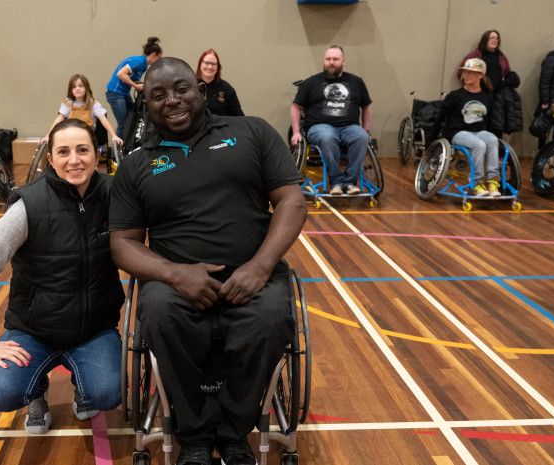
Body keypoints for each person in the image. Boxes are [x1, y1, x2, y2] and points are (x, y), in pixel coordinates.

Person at [109, 57, 307, 465]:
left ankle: (235, 433)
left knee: (271, 318)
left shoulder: (251, 131)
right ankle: (195, 437)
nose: (172, 101)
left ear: (200, 89)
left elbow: (292, 200)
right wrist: (174, 274)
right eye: (158, 95)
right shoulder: (135, 164)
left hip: (254, 274)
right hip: (174, 283)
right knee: (159, 315)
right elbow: (123, 244)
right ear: (146, 105)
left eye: (181, 88)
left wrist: (260, 266)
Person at [0, 118, 124, 435]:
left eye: (82, 150)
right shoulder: (28, 206)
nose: (74, 160)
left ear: (97, 153)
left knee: (108, 393)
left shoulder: (115, 196)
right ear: (50, 159)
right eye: (63, 152)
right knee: (3, 392)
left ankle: (85, 388)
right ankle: (36, 393)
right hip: (34, 332)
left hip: (94, 330)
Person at [290, 45, 372, 195]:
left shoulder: (356, 82)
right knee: (328, 136)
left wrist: (366, 129)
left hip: (349, 127)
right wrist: (296, 132)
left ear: (343, 62)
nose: (331, 62)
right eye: (328, 59)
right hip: (319, 127)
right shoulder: (311, 82)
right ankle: (336, 182)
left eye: (335, 59)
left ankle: (349, 182)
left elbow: (366, 107)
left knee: (361, 136)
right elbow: (296, 107)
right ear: (324, 61)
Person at [443, 58, 501, 197]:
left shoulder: (487, 97)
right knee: (479, 145)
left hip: (479, 132)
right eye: (465, 72)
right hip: (458, 132)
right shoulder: (455, 95)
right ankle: (477, 184)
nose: (467, 75)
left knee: (492, 139)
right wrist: (431, 140)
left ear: (480, 75)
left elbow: (492, 121)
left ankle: (493, 181)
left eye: (471, 73)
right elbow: (441, 118)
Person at [40, 74, 123, 147]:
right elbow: (58, 120)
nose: (77, 89)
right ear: (71, 90)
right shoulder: (68, 103)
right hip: (71, 135)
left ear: (86, 88)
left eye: (80, 86)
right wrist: (48, 136)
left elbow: (103, 119)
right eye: (74, 87)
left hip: (87, 136)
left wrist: (113, 135)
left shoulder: (93, 103)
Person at [105, 37, 162, 139]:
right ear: (153, 55)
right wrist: (135, 86)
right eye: (159, 57)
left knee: (131, 117)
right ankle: (119, 150)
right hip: (115, 93)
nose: (159, 60)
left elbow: (130, 78)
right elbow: (121, 74)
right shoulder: (139, 61)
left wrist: (143, 84)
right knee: (122, 123)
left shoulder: (144, 65)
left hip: (123, 93)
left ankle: (128, 143)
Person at [195, 49, 244, 117]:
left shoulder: (226, 88)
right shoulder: (191, 85)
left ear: (218, 67)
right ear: (200, 64)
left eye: (213, 64)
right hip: (197, 127)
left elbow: (239, 117)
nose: (210, 67)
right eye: (206, 63)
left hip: (221, 126)